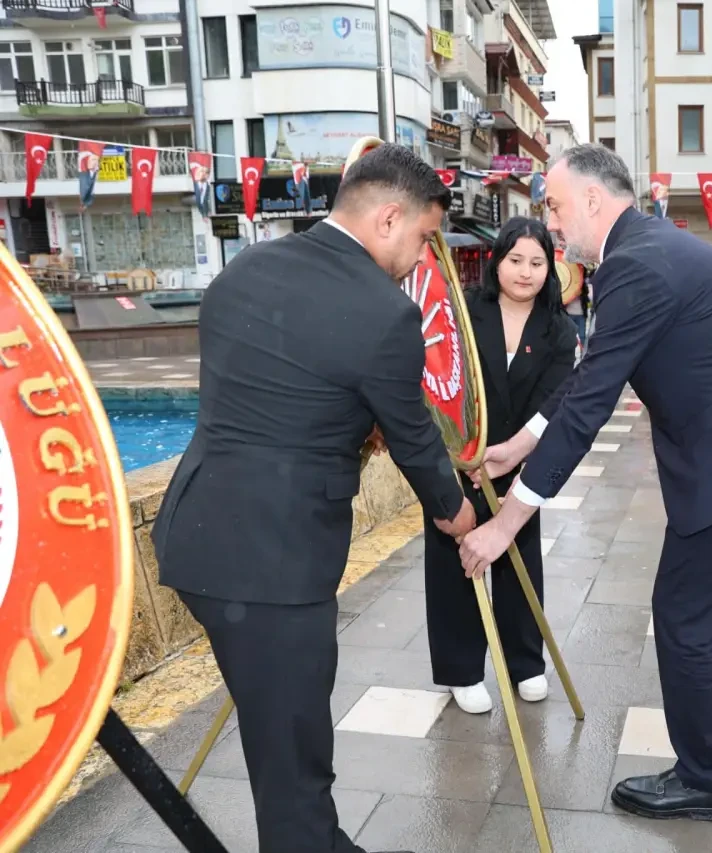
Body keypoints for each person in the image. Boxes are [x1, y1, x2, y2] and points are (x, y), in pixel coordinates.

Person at [457, 144, 712, 822]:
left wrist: (507, 519)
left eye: (558, 207)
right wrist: (519, 442)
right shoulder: (648, 248)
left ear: (594, 200)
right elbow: (591, 374)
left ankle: (701, 778)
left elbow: (593, 402)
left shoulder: (636, 264)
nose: (554, 224)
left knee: (683, 615)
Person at [152, 144, 476, 853]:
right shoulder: (386, 313)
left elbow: (276, 393)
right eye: (424, 238)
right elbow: (415, 438)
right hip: (275, 562)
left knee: (283, 734)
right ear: (389, 217)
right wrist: (458, 514)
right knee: (294, 756)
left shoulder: (244, 270)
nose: (423, 259)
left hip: (198, 534)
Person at [423, 217, 577, 713]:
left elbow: (556, 399)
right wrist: (461, 449)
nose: (526, 272)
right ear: (497, 262)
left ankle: (525, 664)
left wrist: (512, 450)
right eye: (516, 260)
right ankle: (461, 669)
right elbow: (442, 377)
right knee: (455, 560)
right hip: (460, 457)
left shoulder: (559, 328)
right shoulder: (465, 312)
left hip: (519, 461)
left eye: (537, 262)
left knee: (519, 561)